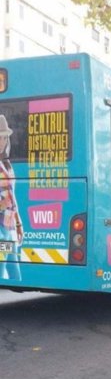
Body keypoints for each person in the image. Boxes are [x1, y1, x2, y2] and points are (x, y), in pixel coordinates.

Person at [0, 115, 23, 281]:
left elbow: (12, 198)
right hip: (0, 230)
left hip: (9, 228)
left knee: (16, 275)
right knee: (1, 272)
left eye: (4, 137)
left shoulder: (6, 164)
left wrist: (18, 223)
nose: (2, 141)